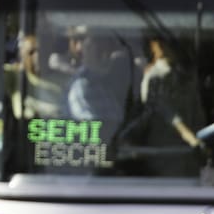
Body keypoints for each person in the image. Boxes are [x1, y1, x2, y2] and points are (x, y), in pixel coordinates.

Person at [119, 36, 204, 176]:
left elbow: (196, 109)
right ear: (157, 47)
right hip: (162, 152)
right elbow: (163, 111)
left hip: (188, 157)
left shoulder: (186, 76)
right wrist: (190, 137)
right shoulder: (154, 77)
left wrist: (199, 137)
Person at [66, 31, 131, 125]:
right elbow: (94, 130)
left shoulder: (105, 84)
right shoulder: (82, 86)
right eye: (100, 49)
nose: (109, 54)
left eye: (109, 48)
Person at [7, 35, 63, 119]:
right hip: (23, 128)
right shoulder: (15, 75)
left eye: (41, 51)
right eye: (31, 52)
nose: (37, 56)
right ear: (22, 56)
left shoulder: (61, 78)